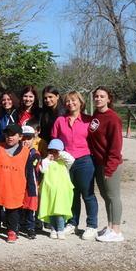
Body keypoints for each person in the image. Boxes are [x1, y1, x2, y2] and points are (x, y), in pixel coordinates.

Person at [0, 124, 39, 243]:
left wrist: (31, 189)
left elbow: (29, 172)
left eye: (13, 135)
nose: (9, 137)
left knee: (13, 210)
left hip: (16, 187)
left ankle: (12, 230)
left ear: (20, 136)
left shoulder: (26, 153)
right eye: (7, 134)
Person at [51, 91, 97, 239]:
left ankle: (91, 226)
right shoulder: (60, 121)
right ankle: (72, 223)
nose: (70, 103)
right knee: (72, 194)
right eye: (67, 101)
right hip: (66, 161)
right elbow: (55, 141)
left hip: (84, 160)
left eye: (73, 100)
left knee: (87, 194)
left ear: (80, 102)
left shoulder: (89, 121)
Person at [87, 87, 124, 243]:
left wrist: (110, 168)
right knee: (105, 196)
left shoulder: (113, 118)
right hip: (99, 163)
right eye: (96, 96)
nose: (98, 99)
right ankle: (109, 227)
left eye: (102, 96)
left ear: (109, 99)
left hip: (111, 164)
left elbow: (116, 146)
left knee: (113, 196)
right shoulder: (96, 115)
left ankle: (117, 231)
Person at [38, 139, 75, 240]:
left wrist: (60, 154)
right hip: (49, 191)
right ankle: (53, 229)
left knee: (59, 211)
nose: (53, 154)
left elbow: (71, 159)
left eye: (56, 151)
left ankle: (60, 230)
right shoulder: (47, 162)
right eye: (51, 151)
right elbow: (43, 169)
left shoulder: (64, 163)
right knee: (51, 211)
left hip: (61, 192)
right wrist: (46, 159)